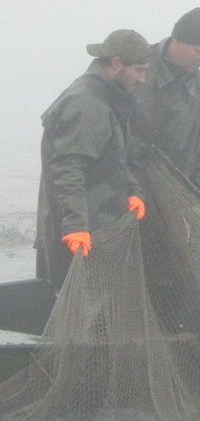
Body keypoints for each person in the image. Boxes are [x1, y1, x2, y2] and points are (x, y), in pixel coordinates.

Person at [36, 29, 152, 289]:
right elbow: (68, 169)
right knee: (79, 312)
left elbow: (117, 156)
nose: (143, 79)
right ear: (116, 63)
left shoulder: (111, 97)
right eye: (139, 70)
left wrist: (132, 190)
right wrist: (76, 225)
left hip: (103, 227)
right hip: (79, 237)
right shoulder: (86, 102)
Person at [131, 7, 200, 181]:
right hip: (123, 194)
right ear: (178, 42)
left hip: (173, 198)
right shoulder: (134, 71)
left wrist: (198, 203)